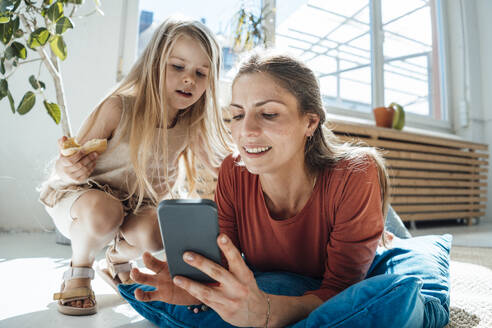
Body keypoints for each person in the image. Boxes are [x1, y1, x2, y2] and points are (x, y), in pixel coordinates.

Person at [124, 51, 393, 327]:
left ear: (310, 122)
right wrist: (199, 288)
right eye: (237, 115)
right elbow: (225, 264)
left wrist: (267, 310)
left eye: (268, 114)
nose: (246, 130)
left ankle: (386, 231)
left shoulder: (355, 175)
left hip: (354, 206)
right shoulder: (233, 170)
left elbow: (341, 294)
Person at [39, 17, 231, 316]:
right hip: (83, 204)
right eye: (178, 67)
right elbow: (69, 165)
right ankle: (79, 268)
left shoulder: (192, 123)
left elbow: (225, 168)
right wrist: (68, 168)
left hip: (135, 207)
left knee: (159, 230)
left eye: (201, 73)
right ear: (154, 63)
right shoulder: (119, 107)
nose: (189, 79)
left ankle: (115, 259)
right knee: (105, 212)